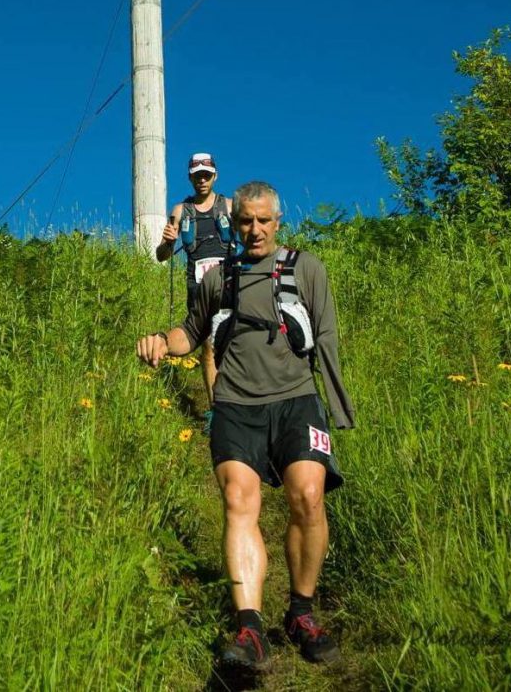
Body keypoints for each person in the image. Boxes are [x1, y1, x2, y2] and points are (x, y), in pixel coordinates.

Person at [136, 180, 355, 674]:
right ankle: (251, 628)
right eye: (246, 222)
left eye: (264, 221)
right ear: (234, 225)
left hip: (296, 401)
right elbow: (191, 332)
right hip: (235, 404)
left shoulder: (307, 269)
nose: (254, 230)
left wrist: (338, 410)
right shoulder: (221, 277)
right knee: (239, 501)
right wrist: (158, 342)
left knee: (308, 497)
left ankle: (301, 613)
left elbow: (326, 338)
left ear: (278, 222)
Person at [155, 153, 234, 418]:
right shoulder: (180, 211)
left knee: (234, 347)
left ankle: (239, 407)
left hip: (230, 287)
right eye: (197, 175)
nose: (202, 179)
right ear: (190, 177)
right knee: (209, 347)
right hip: (198, 292)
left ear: (215, 176)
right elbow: (162, 256)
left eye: (206, 174)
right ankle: (217, 414)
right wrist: (168, 242)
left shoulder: (229, 207)